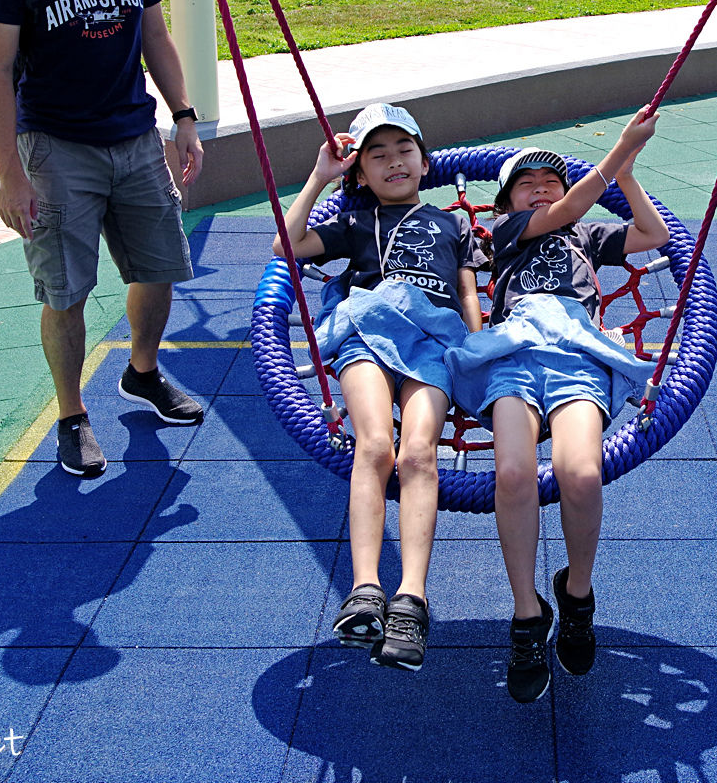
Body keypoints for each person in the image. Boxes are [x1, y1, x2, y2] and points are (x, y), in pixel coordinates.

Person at [0, 0, 206, 481]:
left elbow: (155, 37)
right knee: (66, 290)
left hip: (133, 134)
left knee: (159, 266)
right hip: (55, 147)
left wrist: (183, 116)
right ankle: (72, 415)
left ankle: (142, 372)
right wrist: (9, 176)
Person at [446, 110, 669, 703]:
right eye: (528, 182)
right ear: (507, 204)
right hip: (516, 349)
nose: (543, 186)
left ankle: (576, 594)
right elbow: (566, 209)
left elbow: (653, 237)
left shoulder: (587, 239)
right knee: (513, 475)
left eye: (552, 179)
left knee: (580, 472)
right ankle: (526, 614)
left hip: (575, 350)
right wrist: (619, 148)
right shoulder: (510, 232)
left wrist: (628, 172)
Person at [273, 104, 485, 670]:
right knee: (374, 446)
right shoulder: (354, 221)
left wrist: (477, 349)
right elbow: (286, 249)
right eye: (378, 155)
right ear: (360, 173)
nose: (394, 162)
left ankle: (411, 598)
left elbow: (467, 295)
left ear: (423, 160)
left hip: (433, 344)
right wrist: (320, 177)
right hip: (367, 330)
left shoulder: (452, 222)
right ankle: (366, 589)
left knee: (419, 454)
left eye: (403, 150)